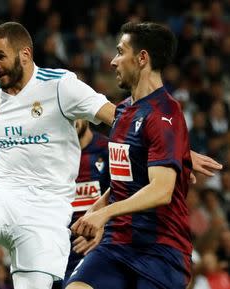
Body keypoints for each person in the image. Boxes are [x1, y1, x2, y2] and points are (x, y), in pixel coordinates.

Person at [0, 22, 220, 289]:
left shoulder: (61, 84)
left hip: (46, 215)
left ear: (24, 54)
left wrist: (181, 152)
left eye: (0, 56)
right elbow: (129, 123)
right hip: (2, 194)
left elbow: (122, 120)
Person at [66, 22, 197, 289]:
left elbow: (161, 190)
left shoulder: (165, 113)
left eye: (120, 52)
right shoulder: (123, 112)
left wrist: (104, 214)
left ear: (142, 58)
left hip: (160, 250)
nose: (113, 61)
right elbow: (124, 179)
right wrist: (97, 208)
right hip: (116, 244)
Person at [62, 120, 110, 289]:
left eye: (75, 113)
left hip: (97, 247)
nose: (72, 121)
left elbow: (124, 196)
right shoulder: (54, 155)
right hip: (60, 249)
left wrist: (104, 231)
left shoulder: (107, 149)